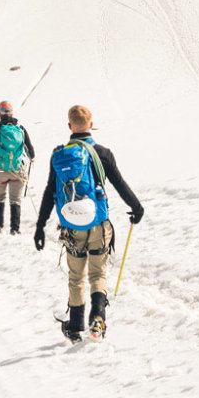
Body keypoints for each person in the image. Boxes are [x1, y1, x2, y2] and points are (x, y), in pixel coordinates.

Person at [33, 104, 146, 342]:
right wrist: (136, 207)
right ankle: (98, 318)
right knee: (98, 273)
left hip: (72, 226)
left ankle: (75, 326)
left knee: (76, 277)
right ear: (91, 124)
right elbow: (119, 184)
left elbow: (49, 192)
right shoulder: (103, 153)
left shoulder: (59, 154)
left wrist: (40, 226)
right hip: (98, 224)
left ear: (69, 126)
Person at [0, 101, 34, 233]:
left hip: (1, 170)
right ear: (11, 113)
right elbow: (31, 152)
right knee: (15, 199)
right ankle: (15, 229)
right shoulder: (21, 129)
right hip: (18, 170)